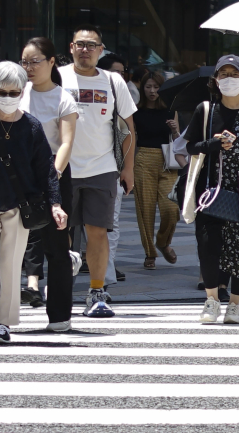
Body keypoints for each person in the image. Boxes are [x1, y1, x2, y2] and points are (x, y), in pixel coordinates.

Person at [0, 61, 67, 342]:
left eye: (14, 91)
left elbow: (46, 168)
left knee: (10, 263)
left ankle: (4, 322)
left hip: (19, 206)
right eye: (2, 91)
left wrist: (55, 203)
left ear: (22, 90)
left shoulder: (31, 126)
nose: (8, 97)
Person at [59, 24, 137, 318]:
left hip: (102, 168)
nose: (86, 50)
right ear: (71, 47)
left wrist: (127, 169)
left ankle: (96, 291)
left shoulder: (113, 81)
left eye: (92, 45)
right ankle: (60, 285)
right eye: (80, 44)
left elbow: (129, 130)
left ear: (100, 50)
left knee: (98, 233)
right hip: (62, 168)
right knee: (60, 231)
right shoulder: (57, 77)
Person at [185, 55, 239, 325]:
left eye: (234, 74)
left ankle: (234, 304)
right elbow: (190, 147)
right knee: (209, 245)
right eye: (223, 74)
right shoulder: (206, 110)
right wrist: (212, 144)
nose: (228, 79)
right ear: (215, 80)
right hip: (211, 189)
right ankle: (211, 300)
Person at [18, 37, 80, 331]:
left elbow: (67, 141)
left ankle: (59, 316)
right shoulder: (17, 94)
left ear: (52, 62)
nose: (28, 68)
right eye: (24, 62)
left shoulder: (63, 98)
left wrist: (53, 173)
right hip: (19, 174)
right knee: (10, 242)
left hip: (54, 174)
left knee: (56, 247)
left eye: (35, 61)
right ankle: (2, 311)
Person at [133, 71, 181, 269]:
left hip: (168, 161)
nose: (152, 91)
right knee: (145, 210)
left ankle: (163, 242)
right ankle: (149, 253)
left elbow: (181, 142)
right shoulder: (135, 111)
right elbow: (130, 140)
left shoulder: (171, 111)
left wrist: (175, 130)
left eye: (156, 87)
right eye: (148, 87)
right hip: (144, 158)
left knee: (171, 208)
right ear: (142, 89)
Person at [96, 52, 130, 290]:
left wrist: (128, 169)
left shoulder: (122, 95)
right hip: (74, 169)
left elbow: (129, 130)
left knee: (110, 224)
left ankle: (105, 276)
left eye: (122, 73)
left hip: (111, 169)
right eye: (116, 72)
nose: (120, 77)